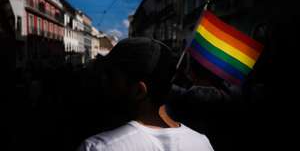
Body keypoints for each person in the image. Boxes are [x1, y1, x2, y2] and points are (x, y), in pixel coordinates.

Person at [78, 37, 214, 151]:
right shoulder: (202, 144)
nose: (103, 83)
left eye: (110, 77)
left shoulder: (98, 147)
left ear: (139, 91)